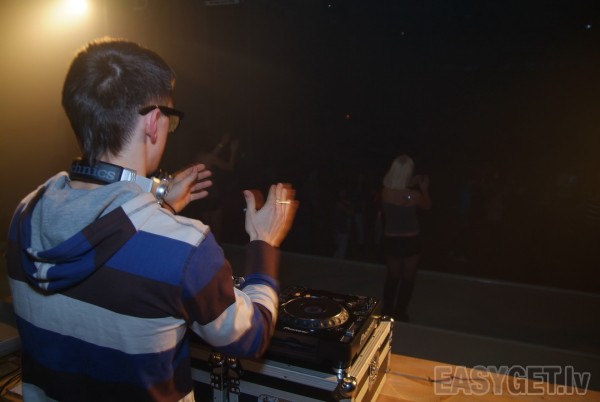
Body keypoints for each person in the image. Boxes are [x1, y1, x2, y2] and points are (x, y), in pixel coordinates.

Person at [5, 37, 297, 402]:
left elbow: (101, 244)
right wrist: (264, 245)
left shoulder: (26, 214)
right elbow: (249, 338)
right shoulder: (186, 248)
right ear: (155, 122)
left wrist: (163, 207)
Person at [380, 154, 431, 321]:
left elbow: (399, 194)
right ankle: (400, 312)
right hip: (411, 239)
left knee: (392, 276)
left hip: (391, 238)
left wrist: (409, 183)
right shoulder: (414, 195)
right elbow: (427, 205)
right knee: (408, 278)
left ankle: (387, 310)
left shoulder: (385, 192)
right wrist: (424, 188)